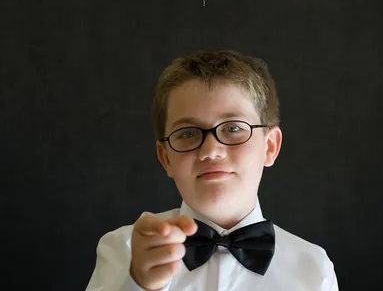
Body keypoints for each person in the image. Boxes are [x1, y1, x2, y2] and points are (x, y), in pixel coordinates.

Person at [85, 49, 339, 291]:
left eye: (233, 128)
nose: (211, 151)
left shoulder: (314, 268)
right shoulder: (124, 249)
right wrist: (138, 284)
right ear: (166, 159)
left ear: (270, 146)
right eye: (188, 133)